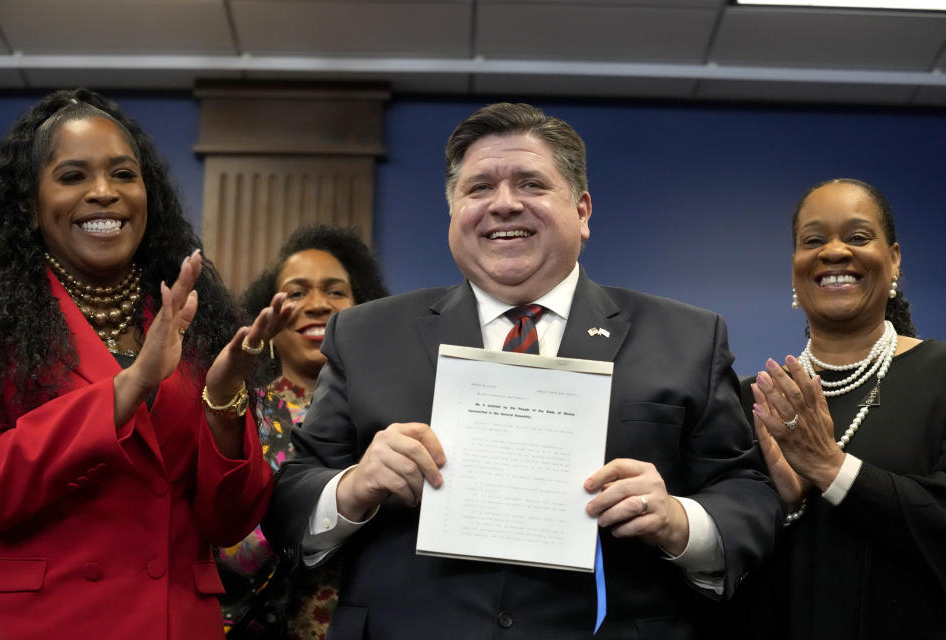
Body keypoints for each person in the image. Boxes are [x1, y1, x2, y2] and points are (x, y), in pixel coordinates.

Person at [263, 102, 781, 639]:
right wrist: (351, 489)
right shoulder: (366, 335)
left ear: (582, 212)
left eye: (530, 184)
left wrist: (679, 521)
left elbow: (747, 495)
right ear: (453, 214)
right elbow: (289, 497)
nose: (503, 205)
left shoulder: (687, 339)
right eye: (478, 188)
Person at [0, 89, 291, 640]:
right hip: (43, 622)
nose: (104, 193)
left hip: (175, 622)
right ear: (30, 205)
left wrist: (223, 402)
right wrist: (129, 389)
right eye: (73, 176)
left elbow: (229, 523)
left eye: (124, 175)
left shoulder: (195, 315)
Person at [740, 178, 946, 639]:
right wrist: (783, 509)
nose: (833, 252)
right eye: (813, 240)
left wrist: (831, 469)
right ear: (795, 268)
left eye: (857, 237)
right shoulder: (753, 398)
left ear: (894, 259)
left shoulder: (940, 377)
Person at [217, 225, 388, 639]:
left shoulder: (394, 415)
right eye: (296, 293)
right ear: (270, 320)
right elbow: (223, 546)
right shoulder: (237, 414)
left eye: (335, 291)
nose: (317, 305)